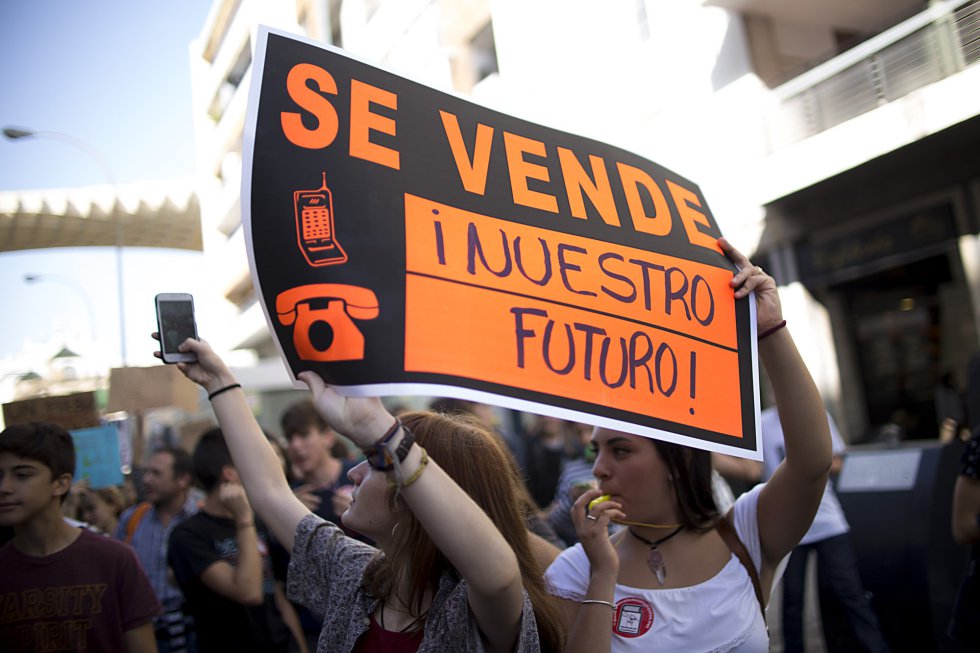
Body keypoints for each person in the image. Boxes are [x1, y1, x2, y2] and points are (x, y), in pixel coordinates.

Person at [158, 336, 564, 652]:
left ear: (417, 498)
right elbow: (269, 492)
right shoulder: (359, 574)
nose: (352, 472)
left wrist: (382, 434)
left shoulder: (469, 608)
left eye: (373, 463)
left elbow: (498, 575)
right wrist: (220, 382)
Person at [544, 238, 833, 651]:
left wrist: (769, 330)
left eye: (621, 450)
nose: (599, 468)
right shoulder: (576, 569)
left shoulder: (747, 533)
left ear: (677, 460)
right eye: (598, 450)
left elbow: (811, 463)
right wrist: (603, 575)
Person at [0, 422, 161, 652]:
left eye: (22, 475)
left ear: (61, 483)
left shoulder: (114, 560)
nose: (4, 487)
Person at [758, 406, 888, 653]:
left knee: (850, 591)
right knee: (793, 599)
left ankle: (876, 647)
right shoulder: (763, 423)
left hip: (827, 519)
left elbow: (837, 460)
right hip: (788, 523)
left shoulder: (815, 412)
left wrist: (810, 463)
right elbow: (753, 468)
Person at [167, 429, 306, 653]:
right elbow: (249, 592)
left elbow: (275, 594)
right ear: (230, 473)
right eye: (252, 462)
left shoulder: (256, 523)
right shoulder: (188, 536)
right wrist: (243, 519)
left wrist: (300, 647)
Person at [117, 447, 200, 653]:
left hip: (194, 630)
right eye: (146, 472)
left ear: (182, 479)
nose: (146, 480)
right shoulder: (133, 519)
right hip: (149, 633)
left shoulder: (200, 518)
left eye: (156, 473)